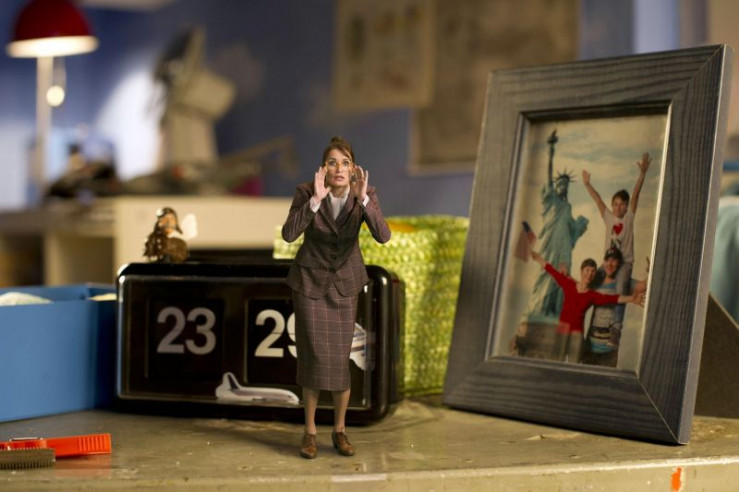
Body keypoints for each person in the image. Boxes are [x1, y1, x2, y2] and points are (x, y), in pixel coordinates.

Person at [281, 136, 391, 459]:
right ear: (323, 169)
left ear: (353, 169)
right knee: (313, 358)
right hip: (310, 284)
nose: (339, 169)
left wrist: (365, 201)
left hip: (344, 285)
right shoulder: (306, 192)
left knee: (340, 360)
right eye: (332, 163)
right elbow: (289, 234)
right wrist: (315, 201)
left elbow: (383, 236)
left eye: (345, 163)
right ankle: (310, 431)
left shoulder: (364, 194)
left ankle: (340, 430)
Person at [530, 250, 643, 363]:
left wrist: (631, 299)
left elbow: (613, 298)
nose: (590, 274)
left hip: (577, 334)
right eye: (587, 270)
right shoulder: (569, 284)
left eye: (593, 271)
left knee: (574, 365)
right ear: (581, 271)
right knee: (555, 362)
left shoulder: (592, 295)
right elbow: (552, 271)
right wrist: (538, 258)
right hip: (562, 329)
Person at [526, 130, 588, 319]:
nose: (563, 186)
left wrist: (580, 225)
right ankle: (539, 309)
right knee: (545, 273)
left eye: (566, 185)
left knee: (562, 277)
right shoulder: (551, 200)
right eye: (561, 183)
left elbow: (572, 230)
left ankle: (554, 312)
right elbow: (548, 176)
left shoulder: (567, 207)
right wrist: (551, 151)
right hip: (550, 245)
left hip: (564, 248)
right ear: (556, 185)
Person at [582, 152, 651, 297]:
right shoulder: (609, 218)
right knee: (591, 283)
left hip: (624, 262)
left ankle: (623, 300)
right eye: (615, 204)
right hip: (609, 262)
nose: (618, 207)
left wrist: (642, 174)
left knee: (620, 288)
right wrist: (587, 184)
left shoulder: (628, 218)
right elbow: (598, 200)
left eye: (621, 204)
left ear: (626, 207)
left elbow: (635, 195)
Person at [581, 247, 647, 367]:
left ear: (619, 264)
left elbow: (643, 286)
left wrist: (650, 271)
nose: (610, 264)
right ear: (603, 262)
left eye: (614, 260)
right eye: (607, 260)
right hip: (589, 347)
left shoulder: (623, 284)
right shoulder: (596, 281)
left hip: (608, 352)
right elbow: (579, 288)